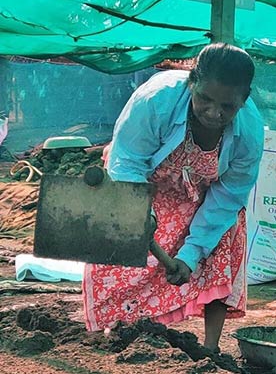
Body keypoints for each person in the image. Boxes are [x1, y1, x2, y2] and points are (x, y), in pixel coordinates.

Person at [83, 43, 264, 352]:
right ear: (191, 80)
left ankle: (210, 349)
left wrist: (190, 255)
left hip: (205, 195)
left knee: (228, 233)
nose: (214, 112)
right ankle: (121, 334)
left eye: (227, 106)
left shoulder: (250, 132)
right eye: (205, 98)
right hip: (144, 183)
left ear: (243, 101)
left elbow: (228, 196)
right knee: (122, 255)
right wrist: (136, 207)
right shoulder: (156, 100)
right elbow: (127, 160)